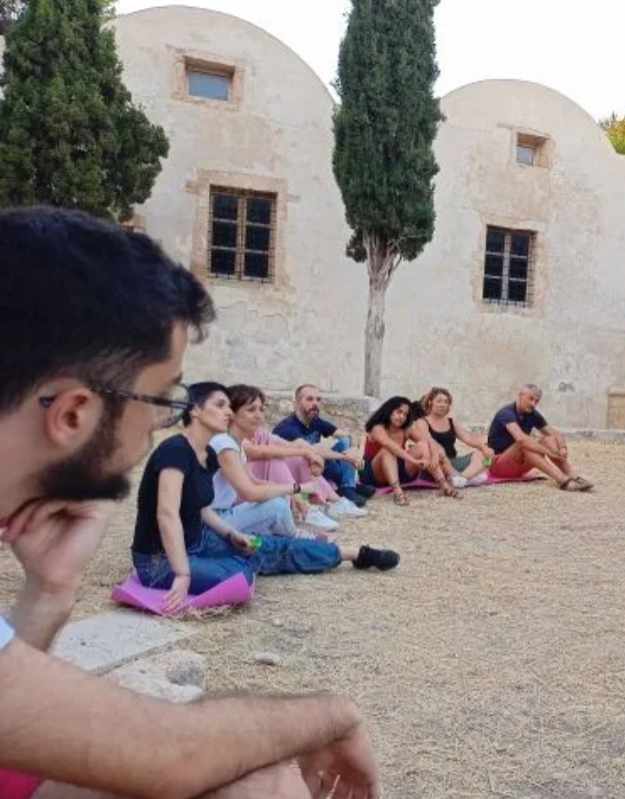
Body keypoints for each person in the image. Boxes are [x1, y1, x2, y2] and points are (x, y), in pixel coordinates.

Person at [0, 208, 379, 797]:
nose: (157, 428)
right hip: (169, 567)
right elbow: (174, 754)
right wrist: (336, 715)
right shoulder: (181, 454)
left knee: (260, 774)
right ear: (74, 414)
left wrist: (49, 592)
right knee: (259, 783)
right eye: (162, 400)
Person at [132, 382, 400, 612]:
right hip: (158, 561)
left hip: (199, 541)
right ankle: (238, 560)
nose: (228, 412)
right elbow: (166, 514)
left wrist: (231, 534)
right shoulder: (175, 451)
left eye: (229, 406)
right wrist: (182, 574)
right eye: (220, 405)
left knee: (266, 546)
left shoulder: (208, 454)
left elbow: (202, 508)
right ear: (195, 410)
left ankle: (354, 553)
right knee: (243, 573)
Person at [225, 383, 367, 532]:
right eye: (251, 410)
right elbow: (259, 452)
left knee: (308, 452)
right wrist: (304, 457)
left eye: (261, 409)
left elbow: (295, 445)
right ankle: (312, 505)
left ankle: (332, 501)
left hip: (272, 482)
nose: (259, 415)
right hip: (240, 499)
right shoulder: (285, 428)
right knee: (278, 458)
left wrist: (343, 456)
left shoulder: (312, 422)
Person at [272, 385, 373, 507]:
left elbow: (347, 435)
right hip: (299, 473)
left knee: (344, 441)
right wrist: (346, 457)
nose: (315, 403)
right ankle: (346, 486)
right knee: (325, 458)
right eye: (310, 399)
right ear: (297, 403)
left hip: (317, 465)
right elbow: (312, 450)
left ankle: (348, 486)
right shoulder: (288, 427)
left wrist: (355, 451)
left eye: (318, 399)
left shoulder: (315, 421)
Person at [486, 384, 593, 491]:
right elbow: (521, 439)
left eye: (536, 401)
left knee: (548, 439)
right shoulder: (506, 413)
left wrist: (562, 447)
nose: (533, 404)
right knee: (524, 445)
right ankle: (563, 481)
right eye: (531, 399)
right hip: (497, 465)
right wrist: (549, 453)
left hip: (518, 465)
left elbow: (554, 433)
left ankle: (574, 476)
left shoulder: (532, 413)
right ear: (521, 395)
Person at [360, 396, 459, 504]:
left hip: (399, 471)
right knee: (387, 451)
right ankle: (398, 493)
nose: (402, 417)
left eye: (405, 414)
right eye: (399, 412)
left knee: (423, 445)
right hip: (375, 474)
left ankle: (444, 486)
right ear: (389, 411)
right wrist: (414, 461)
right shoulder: (377, 428)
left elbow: (429, 441)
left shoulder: (406, 429)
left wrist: (429, 457)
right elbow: (391, 446)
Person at [413, 387, 494, 488]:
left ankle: (462, 479)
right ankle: (466, 478)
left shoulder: (451, 421)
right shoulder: (422, 422)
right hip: (436, 463)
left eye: (446, 402)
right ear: (430, 402)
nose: (443, 404)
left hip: (453, 461)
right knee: (439, 453)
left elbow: (468, 438)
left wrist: (484, 447)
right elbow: (429, 442)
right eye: (439, 401)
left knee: (483, 454)